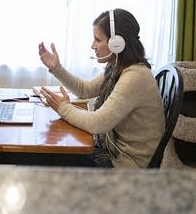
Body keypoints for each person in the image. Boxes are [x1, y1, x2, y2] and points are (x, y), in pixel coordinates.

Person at [38, 9, 164, 168]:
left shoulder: (135, 76)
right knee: (54, 152)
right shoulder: (118, 67)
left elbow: (97, 123)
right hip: (114, 151)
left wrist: (63, 108)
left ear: (117, 43)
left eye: (97, 40)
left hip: (127, 165)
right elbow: (85, 89)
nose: (93, 46)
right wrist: (57, 68)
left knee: (53, 156)